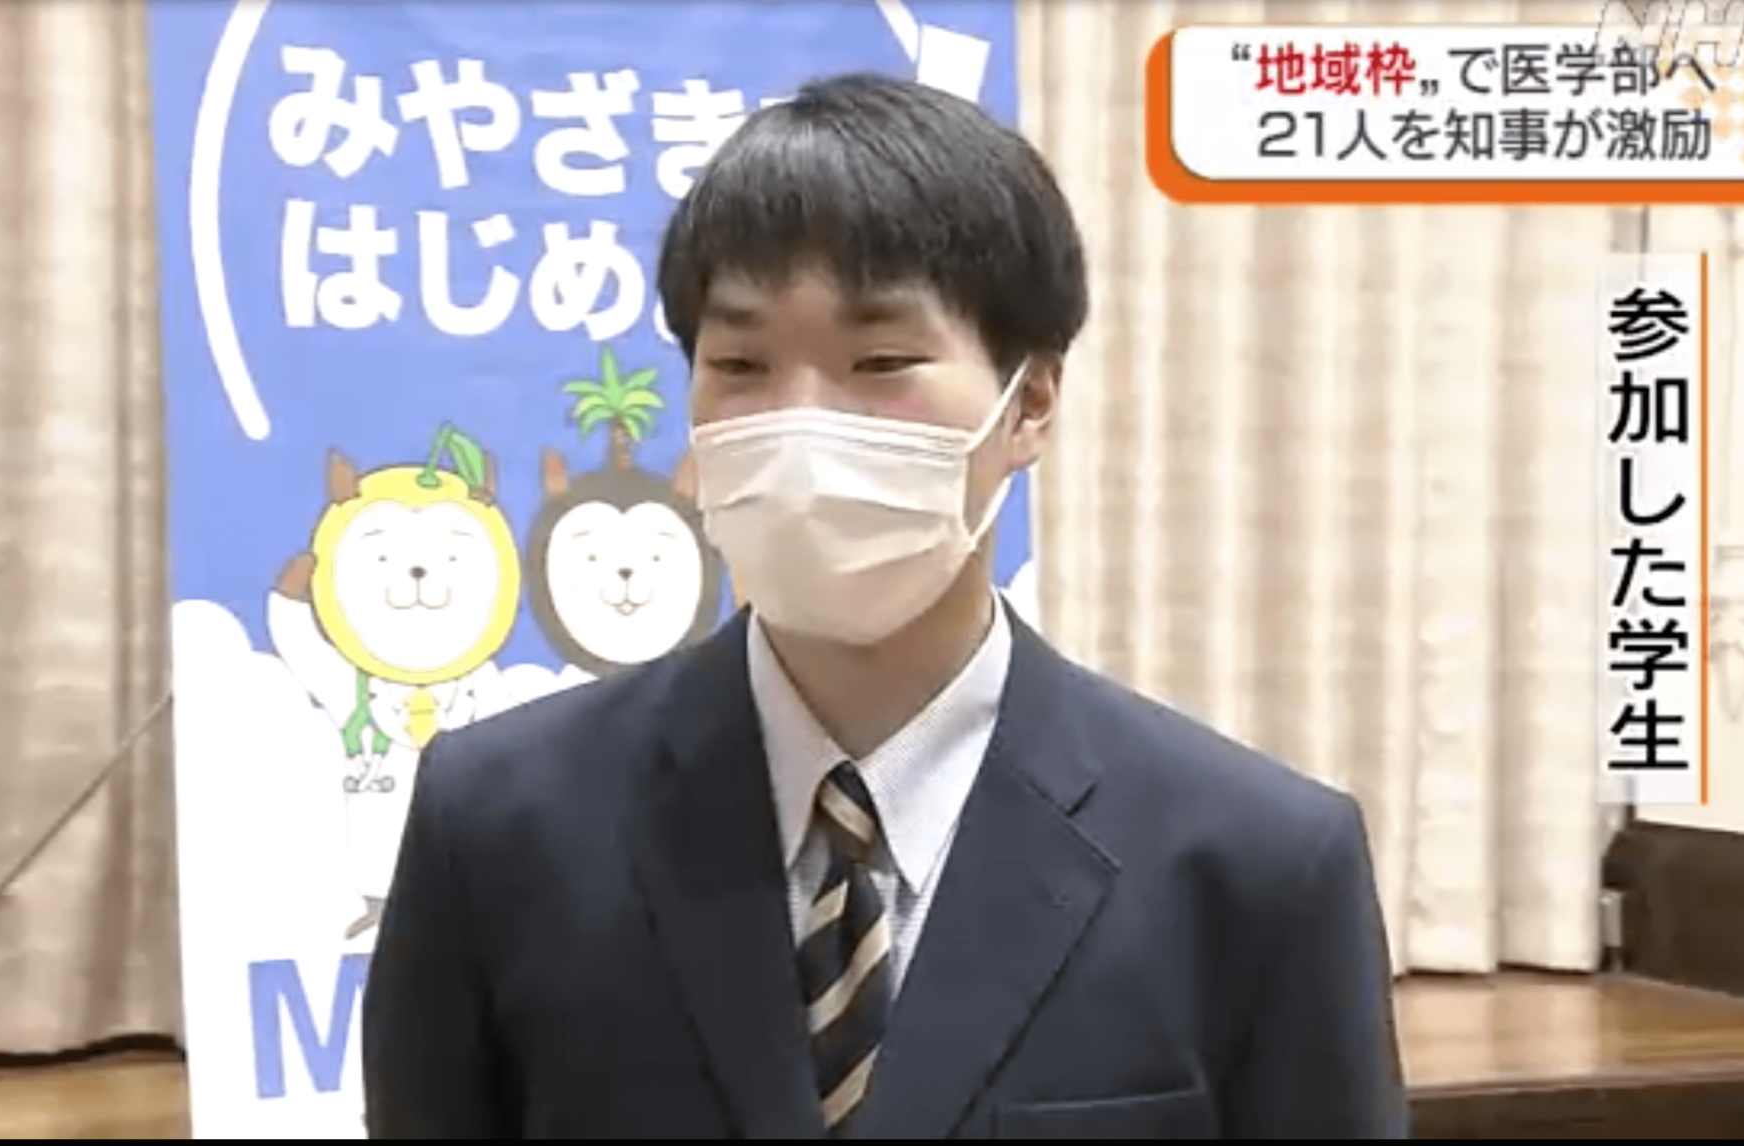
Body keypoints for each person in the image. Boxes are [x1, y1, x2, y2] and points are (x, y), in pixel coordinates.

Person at [362, 72, 1409, 1141]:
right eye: (741, 364)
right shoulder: (494, 825)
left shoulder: (1260, 868)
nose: (800, 425)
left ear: (1030, 401)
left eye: (880, 362)